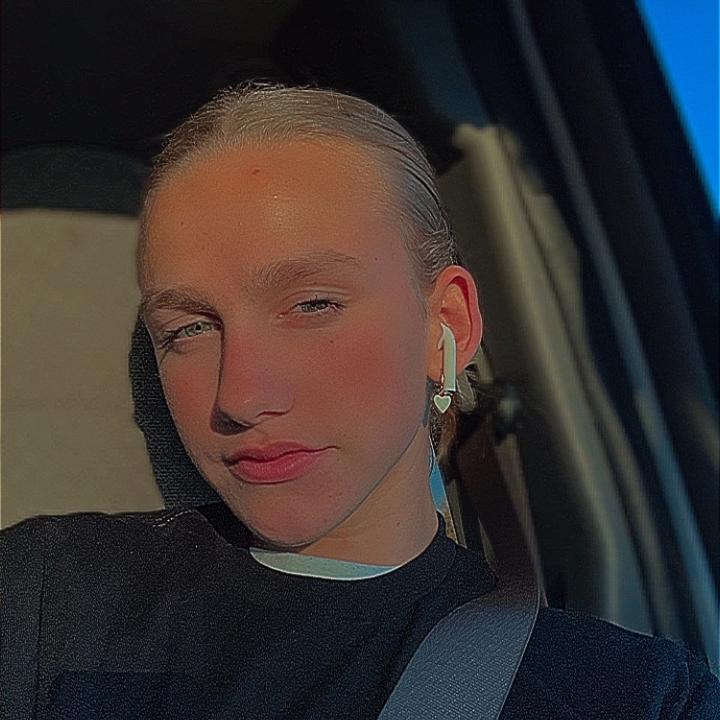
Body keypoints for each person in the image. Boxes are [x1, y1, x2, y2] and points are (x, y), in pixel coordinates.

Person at [1, 82, 718, 719]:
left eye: (313, 304)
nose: (242, 396)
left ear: (447, 325)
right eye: (188, 329)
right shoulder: (43, 593)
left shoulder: (636, 695)